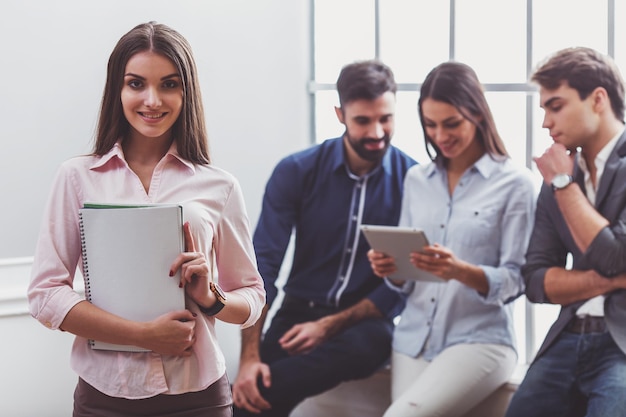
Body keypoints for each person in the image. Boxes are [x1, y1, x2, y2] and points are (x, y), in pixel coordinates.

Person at [27, 22, 265, 417]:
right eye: (136, 84)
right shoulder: (76, 178)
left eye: (169, 84)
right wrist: (144, 336)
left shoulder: (219, 185)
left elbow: (253, 298)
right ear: (117, 90)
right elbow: (45, 294)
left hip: (200, 399)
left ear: (186, 92)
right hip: (105, 398)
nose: (152, 100)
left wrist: (211, 298)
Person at [231, 59, 417, 416]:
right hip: (298, 312)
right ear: (340, 114)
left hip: (365, 322)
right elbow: (263, 266)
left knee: (369, 344)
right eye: (363, 120)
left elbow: (401, 283)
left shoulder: (413, 181)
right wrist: (249, 358)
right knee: (247, 398)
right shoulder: (296, 171)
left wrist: (327, 327)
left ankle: (267, 386)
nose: (377, 132)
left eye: (386, 118)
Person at [367, 61, 536, 417]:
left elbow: (518, 279)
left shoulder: (515, 183)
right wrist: (393, 269)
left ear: (477, 113)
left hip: (481, 340)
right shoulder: (416, 180)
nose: (440, 135)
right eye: (430, 125)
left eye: (451, 123)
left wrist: (460, 270)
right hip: (413, 340)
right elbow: (408, 281)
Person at [505, 47, 626, 417]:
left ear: (598, 99)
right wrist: (613, 280)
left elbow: (616, 257)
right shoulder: (559, 175)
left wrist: (563, 184)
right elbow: (537, 280)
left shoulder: (560, 179)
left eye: (555, 106)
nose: (545, 122)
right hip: (567, 336)